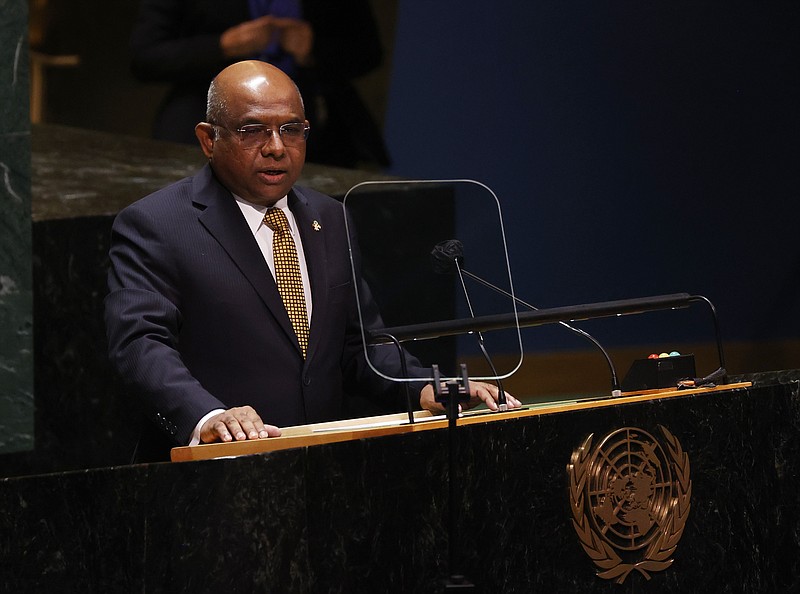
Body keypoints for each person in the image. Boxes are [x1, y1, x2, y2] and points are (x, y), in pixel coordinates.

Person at [104, 60, 519, 460]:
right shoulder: (157, 224)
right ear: (209, 139)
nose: (276, 148)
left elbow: (360, 345)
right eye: (253, 131)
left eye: (291, 129)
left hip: (322, 472)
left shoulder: (331, 217)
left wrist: (428, 386)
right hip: (217, 473)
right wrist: (208, 415)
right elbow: (140, 345)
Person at [129, 0, 390, 169]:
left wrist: (314, 48)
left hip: (315, 132)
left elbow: (368, 53)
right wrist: (224, 45)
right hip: (204, 121)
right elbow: (145, 57)